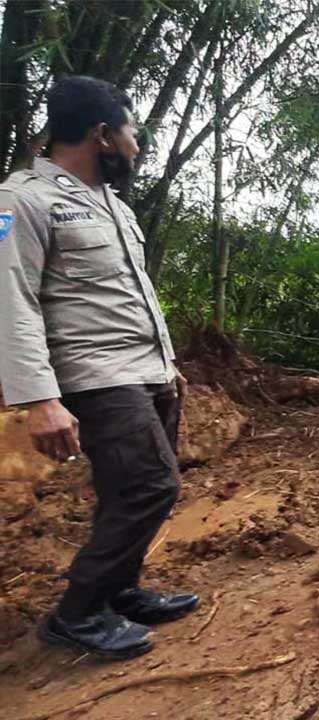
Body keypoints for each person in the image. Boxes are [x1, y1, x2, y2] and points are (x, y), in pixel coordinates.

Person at [0, 76, 198, 660]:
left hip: (146, 371)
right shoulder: (21, 201)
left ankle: (121, 590)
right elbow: (12, 303)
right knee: (152, 485)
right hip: (97, 376)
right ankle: (78, 611)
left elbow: (126, 295)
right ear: (102, 135)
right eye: (134, 132)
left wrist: (169, 364)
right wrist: (39, 398)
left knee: (124, 491)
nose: (138, 144)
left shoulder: (112, 205)